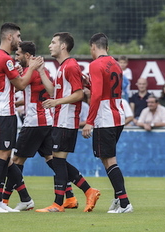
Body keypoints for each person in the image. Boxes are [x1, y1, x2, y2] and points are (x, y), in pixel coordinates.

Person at [3, 41, 78, 210]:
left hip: (34, 123)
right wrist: (21, 102)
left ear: (27, 56)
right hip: (47, 120)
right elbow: (37, 96)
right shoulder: (42, 71)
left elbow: (19, 85)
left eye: (18, 55)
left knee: (16, 160)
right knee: (53, 160)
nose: (16, 58)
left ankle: (6, 199)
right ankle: (73, 195)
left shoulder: (32, 71)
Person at [36, 32, 100, 213]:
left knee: (58, 162)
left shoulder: (71, 66)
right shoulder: (63, 67)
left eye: (53, 42)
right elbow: (54, 92)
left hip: (67, 120)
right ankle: (87, 191)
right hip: (60, 120)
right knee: (59, 162)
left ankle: (58, 204)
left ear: (63, 46)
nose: (50, 45)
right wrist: (41, 72)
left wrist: (56, 102)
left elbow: (80, 94)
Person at [0, 22, 43, 213]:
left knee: (5, 157)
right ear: (9, 37)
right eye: (18, 36)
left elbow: (9, 84)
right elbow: (22, 84)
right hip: (3, 113)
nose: (20, 39)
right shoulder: (5, 59)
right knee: (1, 157)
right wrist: (32, 67)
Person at [82, 33, 133, 213]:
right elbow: (104, 90)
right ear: (107, 48)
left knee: (109, 160)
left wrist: (89, 122)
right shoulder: (116, 64)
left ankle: (125, 202)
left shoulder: (95, 65)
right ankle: (119, 199)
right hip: (118, 115)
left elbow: (97, 96)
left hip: (105, 118)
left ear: (93, 47)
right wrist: (89, 85)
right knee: (107, 159)